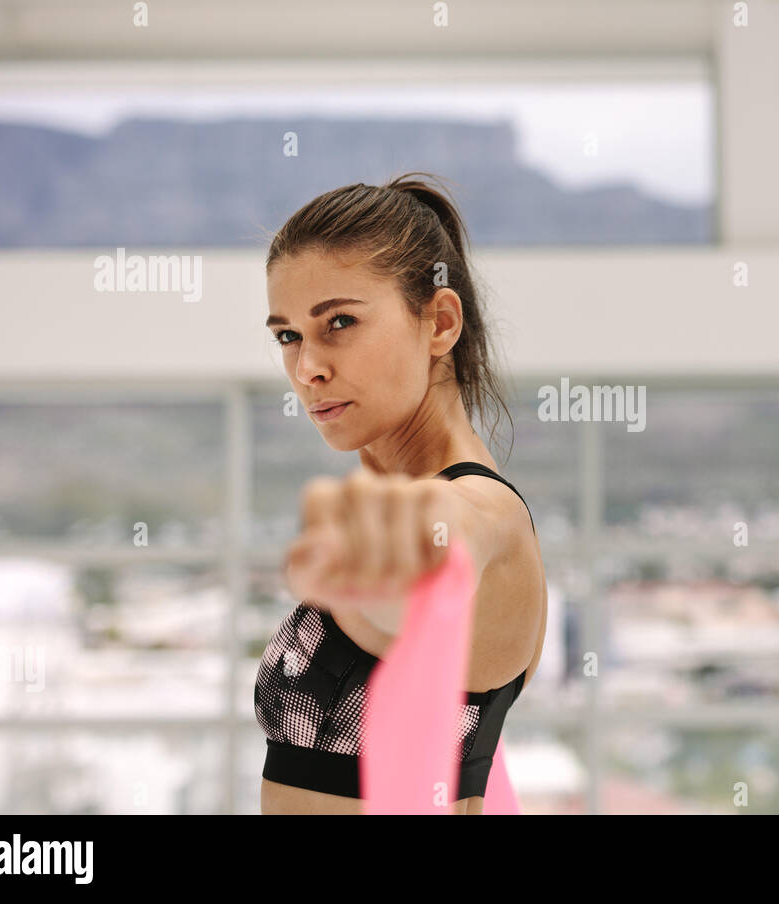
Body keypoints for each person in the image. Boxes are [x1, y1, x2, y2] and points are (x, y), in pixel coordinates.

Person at [254, 174, 547, 815]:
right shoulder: (404, 493)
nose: (307, 369)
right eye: (288, 335)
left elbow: (454, 533)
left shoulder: (484, 509)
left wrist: (410, 555)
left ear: (440, 322)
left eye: (340, 322)